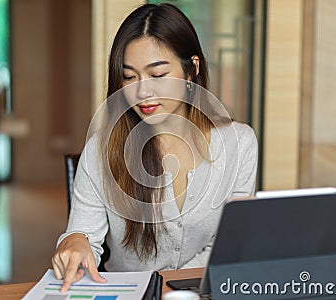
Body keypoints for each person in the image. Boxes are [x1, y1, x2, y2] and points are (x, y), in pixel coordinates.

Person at [52, 3, 258, 292]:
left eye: (158, 74)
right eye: (129, 76)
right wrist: (75, 242)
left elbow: (227, 245)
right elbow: (83, 235)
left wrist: (171, 291)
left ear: (192, 70)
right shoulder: (102, 149)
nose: (142, 91)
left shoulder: (240, 145)